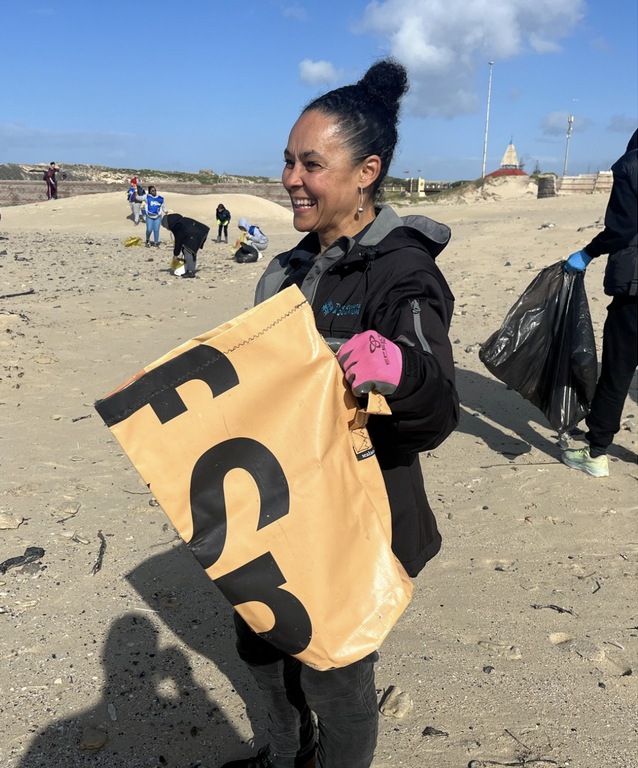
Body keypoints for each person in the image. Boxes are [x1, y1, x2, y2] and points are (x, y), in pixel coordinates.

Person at [223, 59, 458, 768]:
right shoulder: (289, 268)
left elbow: (437, 408)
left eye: (312, 164)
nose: (291, 178)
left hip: (358, 521)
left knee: (335, 675)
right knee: (258, 646)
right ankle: (286, 752)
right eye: (289, 161)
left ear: (366, 173)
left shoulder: (402, 272)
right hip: (280, 509)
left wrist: (401, 372)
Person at [561, 128, 637, 477]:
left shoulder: (630, 165)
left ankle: (596, 452)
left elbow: (621, 230)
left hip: (634, 290)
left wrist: (587, 253)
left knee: (617, 371)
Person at [161, 213, 209, 279]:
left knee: (188, 250)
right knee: (191, 250)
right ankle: (191, 269)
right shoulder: (179, 221)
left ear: (168, 224)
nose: (167, 229)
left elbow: (178, 240)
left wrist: (176, 254)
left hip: (196, 233)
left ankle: (190, 271)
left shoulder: (177, 226)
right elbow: (181, 238)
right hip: (202, 231)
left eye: (166, 227)